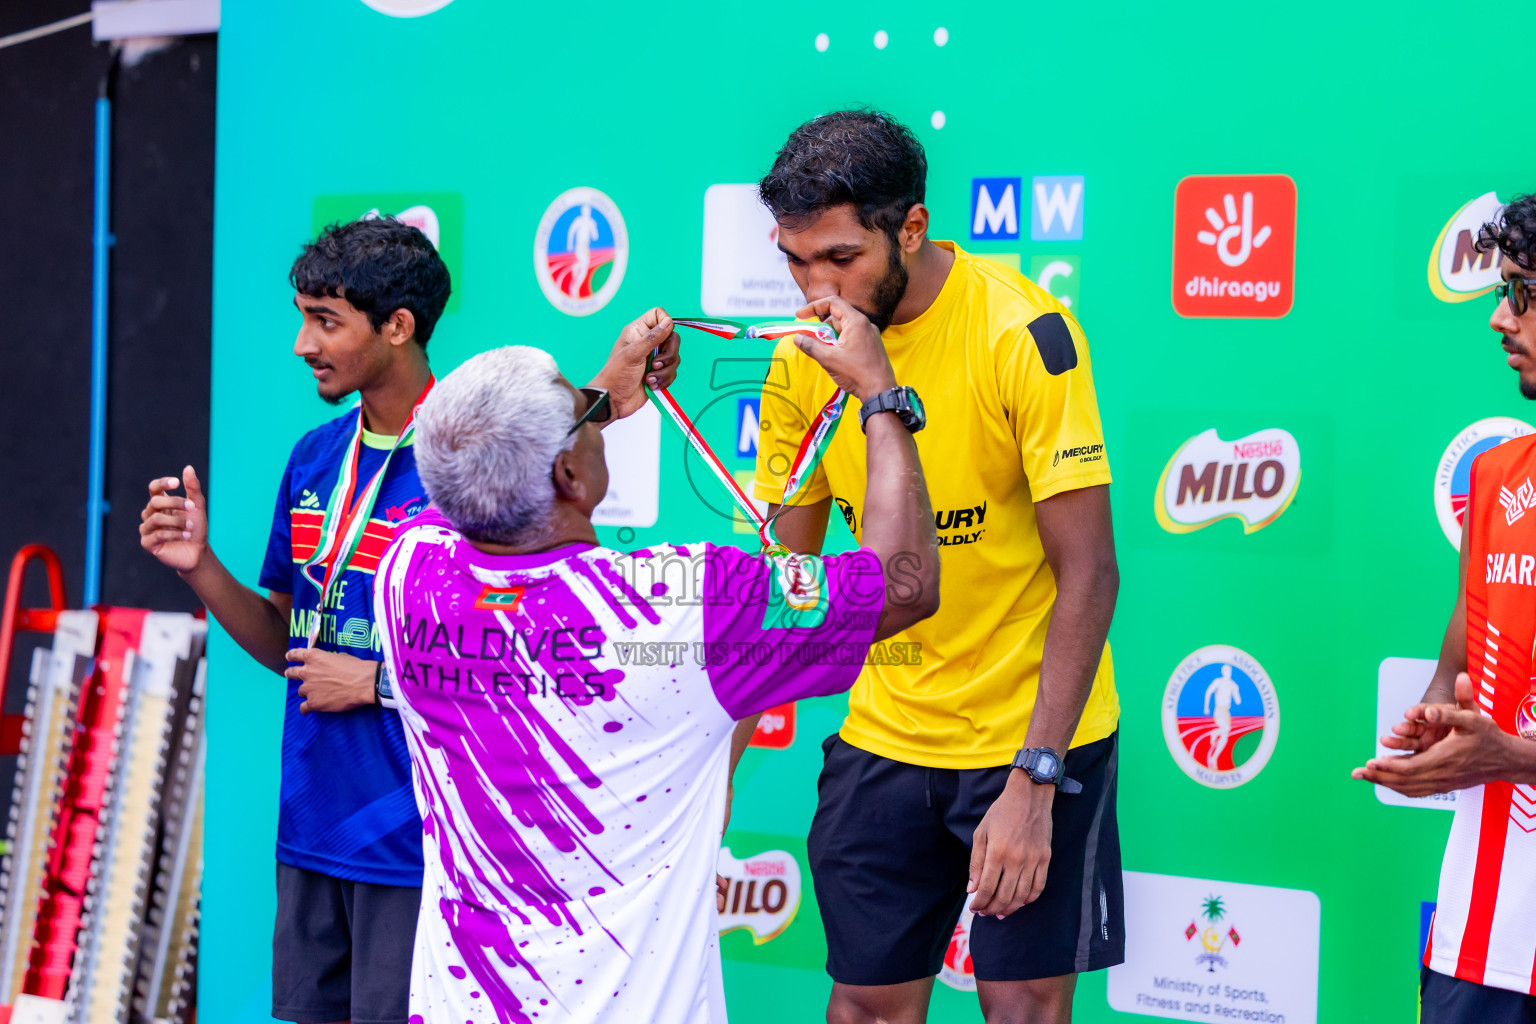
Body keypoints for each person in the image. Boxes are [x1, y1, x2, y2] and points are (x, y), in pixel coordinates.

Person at [137, 216, 681, 1024]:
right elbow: (292, 640)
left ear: (397, 327)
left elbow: (522, 653)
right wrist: (201, 567)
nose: (301, 344)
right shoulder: (313, 458)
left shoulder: (471, 462)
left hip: (426, 839)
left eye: (325, 321)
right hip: (315, 823)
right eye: (302, 317)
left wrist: (382, 683)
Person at [372, 298, 940, 1023]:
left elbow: (465, 475)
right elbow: (907, 583)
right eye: (576, 409)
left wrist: (596, 400)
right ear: (570, 476)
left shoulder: (408, 572)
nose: (588, 409)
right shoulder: (685, 606)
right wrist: (880, 397)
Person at [746, 110, 1123, 1024]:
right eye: (795, 261)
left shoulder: (1022, 329)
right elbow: (782, 574)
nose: (815, 287)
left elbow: (1091, 573)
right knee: (866, 1009)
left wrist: (1036, 782)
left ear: (910, 228)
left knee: (1024, 1007)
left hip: (1030, 739)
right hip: (884, 733)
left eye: (840, 258)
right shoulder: (803, 356)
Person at [1354, 192, 1536, 1023]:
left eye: (1525, 293)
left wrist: (1511, 756)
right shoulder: (1496, 478)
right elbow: (1458, 666)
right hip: (1483, 937)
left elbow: (1506, 749)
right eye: (1505, 290)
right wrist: (1434, 714)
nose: (1501, 317)